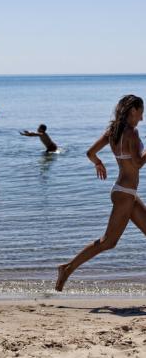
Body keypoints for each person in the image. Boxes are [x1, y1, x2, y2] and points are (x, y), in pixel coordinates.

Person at [55, 94, 146, 292]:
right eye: (141, 112)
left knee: (110, 242)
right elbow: (138, 163)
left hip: (124, 191)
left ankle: (67, 268)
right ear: (133, 111)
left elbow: (90, 153)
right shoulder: (132, 133)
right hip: (125, 194)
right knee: (108, 242)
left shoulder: (112, 132)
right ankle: (67, 269)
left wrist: (98, 163)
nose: (142, 117)